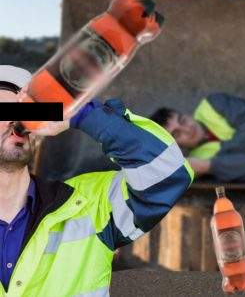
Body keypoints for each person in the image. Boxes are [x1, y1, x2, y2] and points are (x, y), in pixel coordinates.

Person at [0, 65, 193, 296]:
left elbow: (167, 172)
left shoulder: (89, 204)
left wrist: (78, 113)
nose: (16, 121)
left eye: (24, 111)